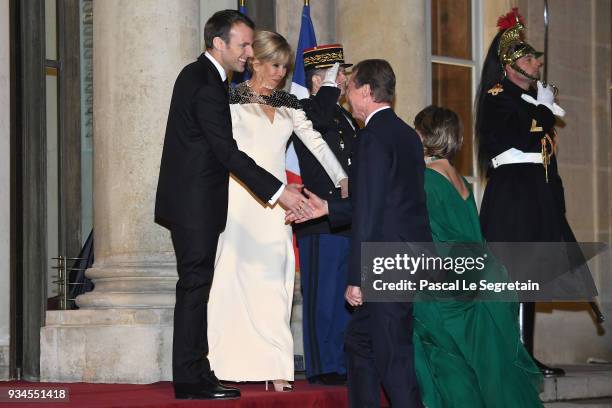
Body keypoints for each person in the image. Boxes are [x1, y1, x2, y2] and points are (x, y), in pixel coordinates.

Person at [154, 10, 309, 400]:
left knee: (196, 287)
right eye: (242, 44)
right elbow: (227, 151)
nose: (247, 52)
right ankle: (192, 379)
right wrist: (280, 191)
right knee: (195, 288)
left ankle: (197, 373)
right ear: (219, 43)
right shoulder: (209, 84)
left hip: (196, 203)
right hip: (195, 205)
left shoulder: (202, 77)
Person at [205, 30, 348, 392]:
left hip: (278, 203)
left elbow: (314, 140)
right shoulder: (230, 98)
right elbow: (223, 152)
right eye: (274, 65)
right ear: (254, 62)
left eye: (285, 67)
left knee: (277, 280)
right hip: (239, 199)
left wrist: (341, 176)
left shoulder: (287, 101)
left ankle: (275, 364)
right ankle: (222, 363)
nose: (280, 73)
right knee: (231, 279)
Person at [288, 59, 431, 407]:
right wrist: (330, 208)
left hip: (386, 260)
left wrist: (358, 278)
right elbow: (382, 200)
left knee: (393, 357)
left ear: (366, 91)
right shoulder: (405, 134)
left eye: (349, 88)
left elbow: (369, 211)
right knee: (360, 343)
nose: (346, 96)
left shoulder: (372, 137)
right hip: (408, 255)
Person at [412, 105, 543, 407]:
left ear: (423, 135)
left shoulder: (425, 179)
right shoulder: (462, 182)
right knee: (478, 365)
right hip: (473, 280)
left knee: (446, 363)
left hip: (443, 286)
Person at [475, 8, 568, 377]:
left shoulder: (531, 102)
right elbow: (516, 136)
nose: (536, 63)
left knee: (530, 279)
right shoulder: (499, 96)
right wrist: (542, 111)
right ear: (511, 65)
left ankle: (525, 353)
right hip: (512, 198)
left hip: (536, 196)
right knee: (510, 279)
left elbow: (545, 155)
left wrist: (556, 203)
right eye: (528, 58)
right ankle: (510, 355)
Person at [291, 44, 358, 386]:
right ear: (319, 81)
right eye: (338, 73)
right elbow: (315, 120)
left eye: (343, 73)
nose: (345, 79)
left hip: (345, 215)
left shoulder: (344, 115)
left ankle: (343, 363)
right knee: (323, 297)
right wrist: (329, 89)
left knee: (345, 295)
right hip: (319, 218)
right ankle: (323, 367)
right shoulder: (304, 108)